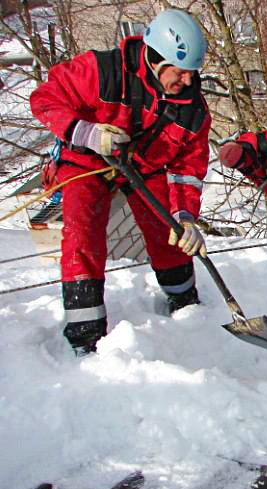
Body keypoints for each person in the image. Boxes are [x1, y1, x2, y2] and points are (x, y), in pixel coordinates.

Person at [30, 9, 212, 355]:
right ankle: (86, 333)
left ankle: (184, 303)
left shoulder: (192, 111)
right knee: (82, 232)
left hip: (144, 165)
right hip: (88, 157)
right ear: (157, 59)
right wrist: (85, 131)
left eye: (193, 73)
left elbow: (186, 170)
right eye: (181, 72)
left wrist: (185, 217)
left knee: (168, 229)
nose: (188, 81)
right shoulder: (103, 72)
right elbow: (44, 98)